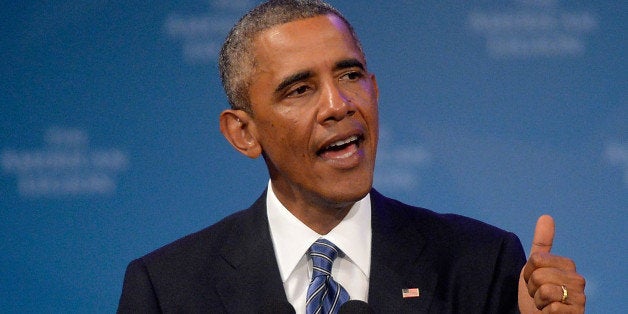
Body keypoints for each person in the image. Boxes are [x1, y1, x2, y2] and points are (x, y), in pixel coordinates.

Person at [117, 1, 586, 313]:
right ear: (243, 132)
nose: (339, 105)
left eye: (349, 75)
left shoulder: (480, 263)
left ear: (374, 91)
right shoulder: (167, 288)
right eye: (300, 89)